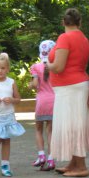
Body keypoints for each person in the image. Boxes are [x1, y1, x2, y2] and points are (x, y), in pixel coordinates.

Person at [46, 7, 89, 177]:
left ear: (63, 22)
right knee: (76, 123)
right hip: (78, 84)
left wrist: (47, 64)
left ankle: (81, 166)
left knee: (72, 125)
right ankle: (73, 163)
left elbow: (58, 67)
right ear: (79, 22)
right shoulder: (84, 39)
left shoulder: (64, 38)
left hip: (69, 88)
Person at [29, 40, 56, 171]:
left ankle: (41, 156)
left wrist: (30, 85)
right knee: (50, 131)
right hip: (54, 102)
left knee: (38, 129)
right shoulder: (56, 67)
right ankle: (51, 158)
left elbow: (34, 84)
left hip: (41, 102)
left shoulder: (35, 67)